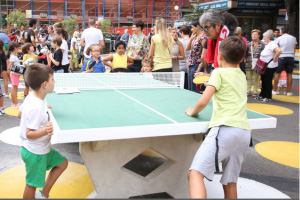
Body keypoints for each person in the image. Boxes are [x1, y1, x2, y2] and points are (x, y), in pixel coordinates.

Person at [186, 36, 250, 199]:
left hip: (224, 130)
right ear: (242, 58)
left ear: (219, 56)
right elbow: (229, 86)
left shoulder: (218, 73)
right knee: (230, 182)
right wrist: (210, 80)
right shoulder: (242, 75)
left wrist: (193, 111)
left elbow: (203, 101)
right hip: (243, 133)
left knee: (194, 174)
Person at [18, 63, 68, 199]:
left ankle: (44, 194)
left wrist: (43, 107)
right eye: (52, 79)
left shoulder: (33, 98)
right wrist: (46, 130)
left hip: (40, 149)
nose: (54, 82)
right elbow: (29, 134)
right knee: (31, 184)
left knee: (62, 163)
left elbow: (19, 114)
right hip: (35, 152)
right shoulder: (36, 107)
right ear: (45, 84)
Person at [258, 30, 282, 102]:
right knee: (264, 80)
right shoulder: (268, 43)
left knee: (267, 80)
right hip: (266, 65)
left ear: (268, 37)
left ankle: (268, 96)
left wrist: (275, 58)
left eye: (264, 37)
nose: (263, 38)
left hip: (269, 65)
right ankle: (263, 94)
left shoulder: (272, 44)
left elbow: (279, 50)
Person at [273, 27, 297, 96]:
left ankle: (274, 90)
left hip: (281, 57)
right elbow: (294, 47)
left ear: (281, 32)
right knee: (289, 74)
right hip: (290, 56)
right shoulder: (293, 38)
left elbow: (276, 48)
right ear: (288, 31)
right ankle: (289, 92)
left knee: (277, 73)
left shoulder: (279, 38)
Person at [186, 19, 207, 92]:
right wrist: (191, 38)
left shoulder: (203, 38)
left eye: (192, 27)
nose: (191, 30)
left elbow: (204, 54)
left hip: (197, 65)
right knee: (190, 88)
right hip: (191, 64)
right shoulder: (195, 37)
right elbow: (187, 48)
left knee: (195, 89)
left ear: (197, 27)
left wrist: (200, 66)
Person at [245, 29, 265, 98]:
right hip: (248, 63)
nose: (254, 36)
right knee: (248, 77)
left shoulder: (262, 44)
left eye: (255, 34)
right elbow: (246, 53)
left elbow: (263, 54)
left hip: (257, 63)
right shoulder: (249, 44)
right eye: (253, 34)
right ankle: (248, 90)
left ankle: (256, 91)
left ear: (259, 36)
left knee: (256, 78)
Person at [7, 42, 21, 108]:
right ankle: (15, 103)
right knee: (14, 89)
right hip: (14, 74)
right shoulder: (13, 57)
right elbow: (9, 67)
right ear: (15, 48)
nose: (18, 49)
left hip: (15, 74)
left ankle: (14, 102)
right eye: (18, 48)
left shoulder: (13, 56)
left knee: (15, 88)